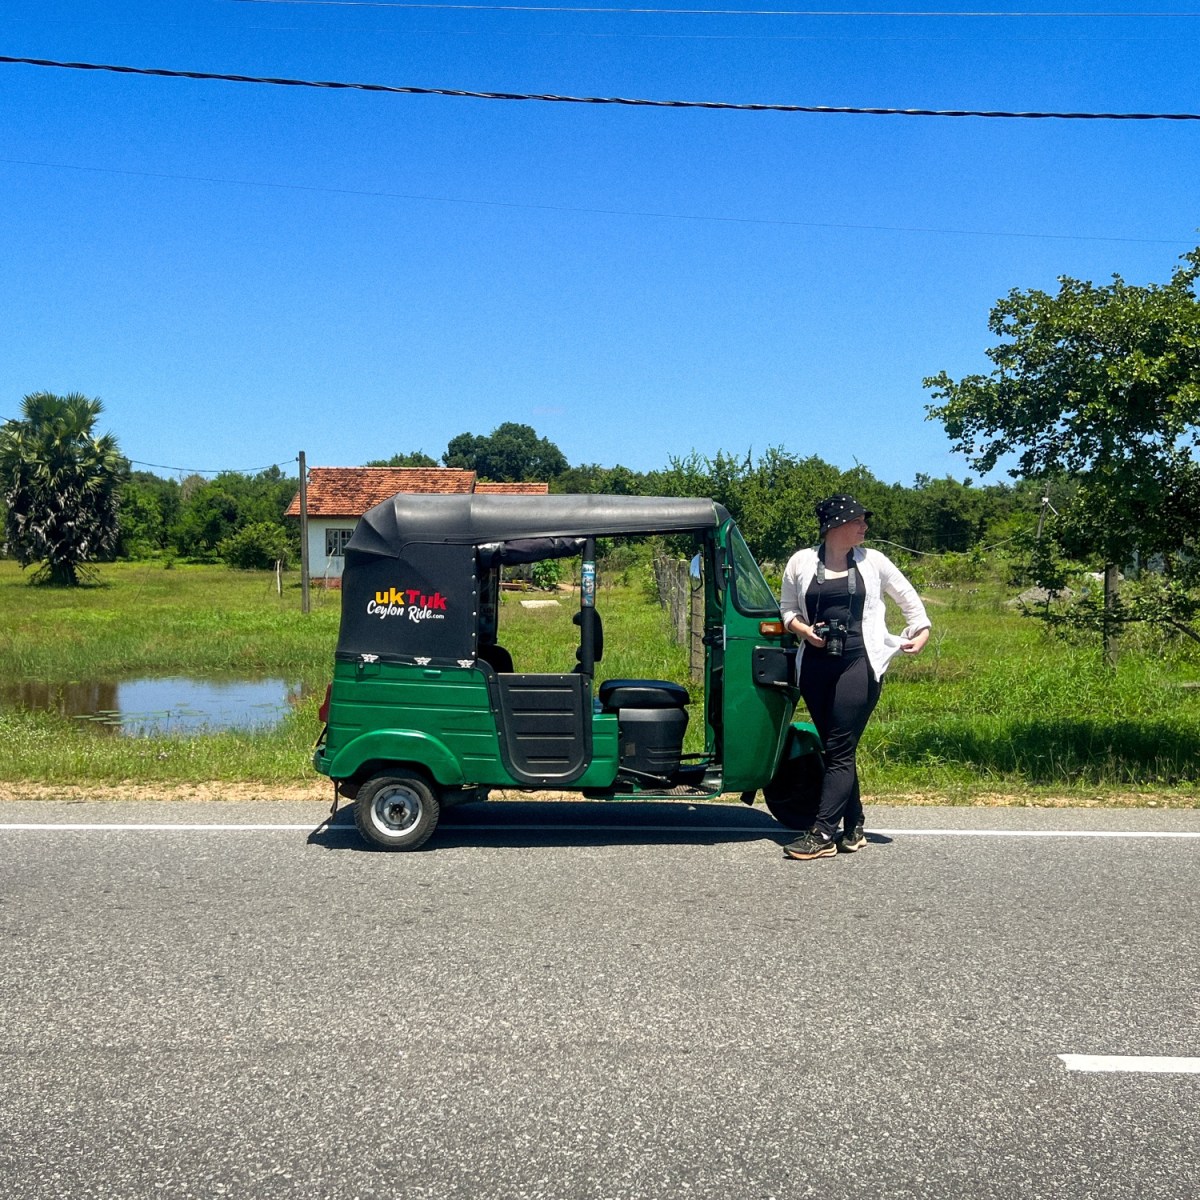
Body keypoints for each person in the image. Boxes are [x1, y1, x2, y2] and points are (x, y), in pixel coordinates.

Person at [778, 495, 930, 860]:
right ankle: (855, 824)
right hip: (815, 664)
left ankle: (823, 833)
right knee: (835, 748)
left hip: (859, 663)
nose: (864, 527)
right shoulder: (801, 561)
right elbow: (786, 609)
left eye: (864, 521)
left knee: (841, 746)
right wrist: (803, 630)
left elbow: (910, 601)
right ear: (835, 525)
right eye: (858, 521)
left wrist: (920, 630)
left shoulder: (873, 561)